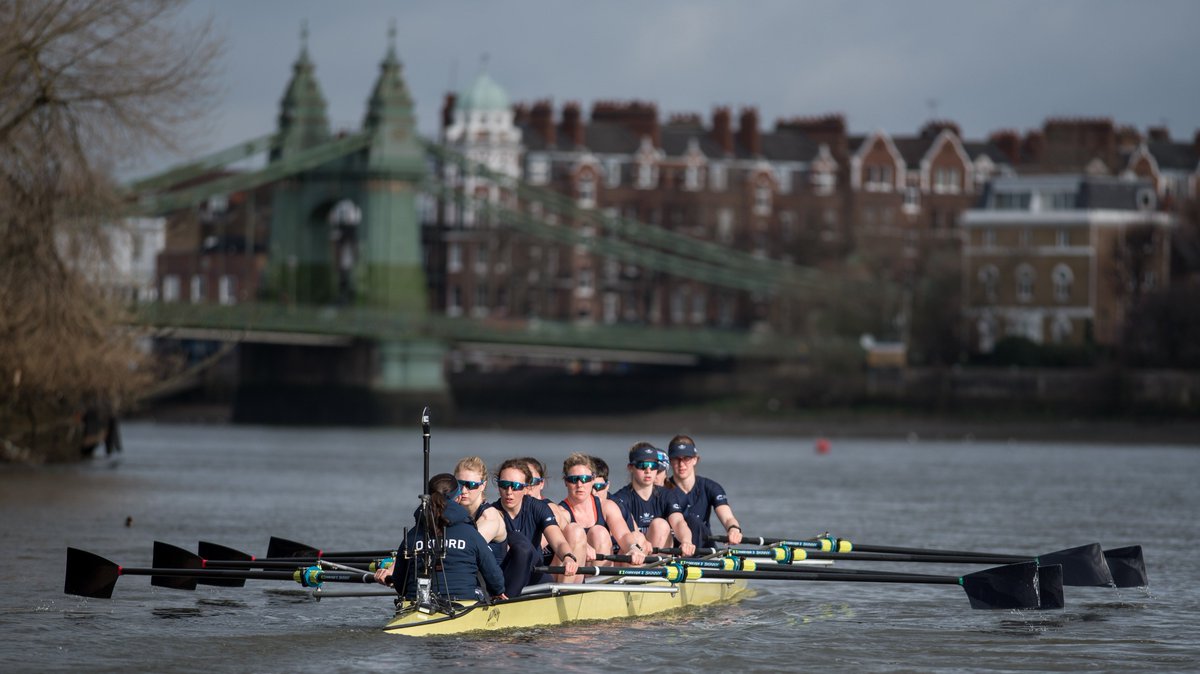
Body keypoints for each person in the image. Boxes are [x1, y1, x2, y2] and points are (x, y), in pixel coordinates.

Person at [374, 473, 506, 603]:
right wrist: (498, 592)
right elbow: (495, 579)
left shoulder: (412, 535)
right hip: (462, 603)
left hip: (417, 603)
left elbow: (400, 586)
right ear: (458, 498)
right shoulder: (471, 534)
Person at [494, 458, 585, 588]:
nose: (509, 492)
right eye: (504, 485)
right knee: (519, 543)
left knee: (522, 546)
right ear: (498, 486)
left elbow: (558, 542)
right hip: (506, 577)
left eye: (516, 486)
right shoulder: (492, 513)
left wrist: (568, 557)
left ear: (526, 488)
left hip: (535, 574)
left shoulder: (539, 508)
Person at [609, 442, 696, 557]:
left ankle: (654, 569)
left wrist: (686, 541)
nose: (648, 471)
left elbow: (679, 522)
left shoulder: (667, 495)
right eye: (642, 465)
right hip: (631, 557)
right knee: (637, 537)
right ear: (630, 468)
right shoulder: (620, 498)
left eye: (653, 466)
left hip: (656, 558)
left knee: (660, 524)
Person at [559, 453, 646, 565]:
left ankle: (602, 581)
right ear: (566, 482)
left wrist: (633, 548)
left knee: (599, 532)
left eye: (585, 479)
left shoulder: (607, 506)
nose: (579, 484)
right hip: (573, 571)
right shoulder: (560, 512)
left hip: (599, 571)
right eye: (573, 479)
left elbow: (624, 535)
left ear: (592, 480)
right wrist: (583, 545)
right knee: (591, 533)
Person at [665, 435, 743, 547]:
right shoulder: (663, 489)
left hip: (704, 548)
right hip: (675, 548)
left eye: (686, 458)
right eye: (676, 459)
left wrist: (733, 529)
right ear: (670, 461)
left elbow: (728, 518)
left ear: (695, 459)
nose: (681, 464)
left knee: (694, 521)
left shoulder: (711, 487)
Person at [453, 456, 507, 566]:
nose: (464, 491)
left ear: (483, 485)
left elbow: (466, 548)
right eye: (460, 484)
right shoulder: (452, 512)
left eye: (471, 485)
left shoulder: (490, 517)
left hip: (490, 581)